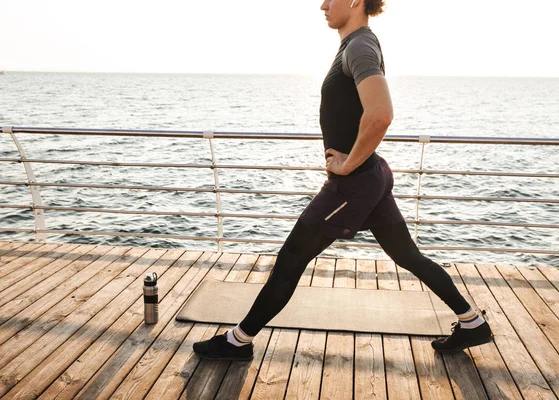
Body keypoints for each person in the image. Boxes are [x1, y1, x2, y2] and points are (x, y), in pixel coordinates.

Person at [193, 0, 493, 361]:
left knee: (291, 259)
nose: (321, 5)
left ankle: (237, 342)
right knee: (407, 255)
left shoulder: (360, 46)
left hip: (354, 184)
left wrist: (349, 164)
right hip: (373, 176)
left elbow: (380, 114)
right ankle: (472, 322)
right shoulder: (355, 45)